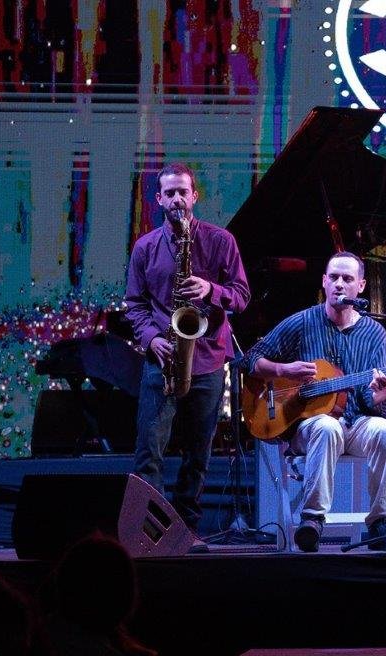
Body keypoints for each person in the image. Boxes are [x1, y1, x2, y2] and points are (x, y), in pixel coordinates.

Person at [245, 251, 386, 552]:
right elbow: (250, 359)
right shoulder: (302, 322)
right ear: (324, 282)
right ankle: (313, 519)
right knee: (327, 426)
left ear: (361, 286)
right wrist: (283, 370)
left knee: (385, 430)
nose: (339, 284)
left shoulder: (374, 333)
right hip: (309, 428)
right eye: (334, 277)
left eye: (347, 278)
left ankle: (381, 523)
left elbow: (371, 401)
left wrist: (379, 397)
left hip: (355, 423)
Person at [125, 162, 249, 533]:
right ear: (159, 199)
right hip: (161, 359)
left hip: (207, 359)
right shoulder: (145, 247)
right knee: (149, 452)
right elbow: (135, 304)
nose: (177, 199)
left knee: (198, 456)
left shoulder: (220, 241)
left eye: (183, 192)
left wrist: (211, 290)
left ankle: (186, 530)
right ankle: (152, 533)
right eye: (170, 193)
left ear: (194, 196)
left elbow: (242, 296)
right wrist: (152, 338)